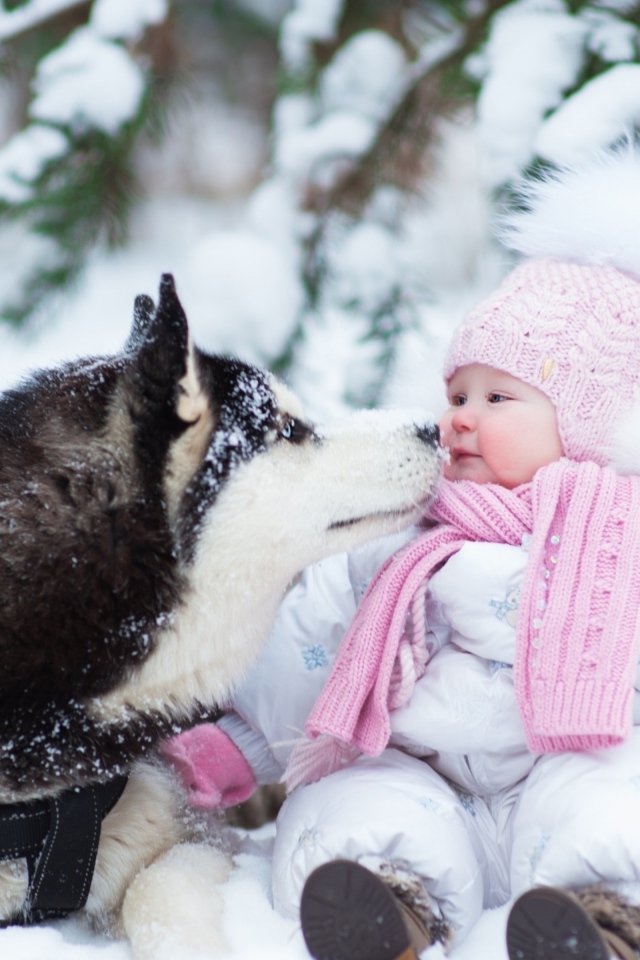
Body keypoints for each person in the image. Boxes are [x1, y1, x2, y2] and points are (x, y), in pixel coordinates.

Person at [163, 147, 640, 960]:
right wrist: (235, 740)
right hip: (425, 778)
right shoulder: (406, 527)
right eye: (456, 393)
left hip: (563, 770)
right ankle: (388, 909)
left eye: (497, 399)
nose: (459, 417)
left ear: (586, 423)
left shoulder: (621, 543)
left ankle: (600, 920)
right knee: (348, 799)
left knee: (614, 808)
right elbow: (316, 642)